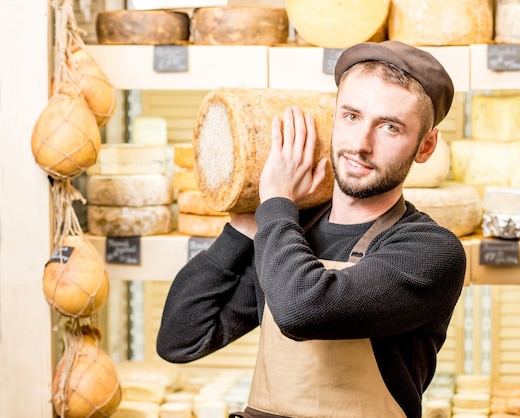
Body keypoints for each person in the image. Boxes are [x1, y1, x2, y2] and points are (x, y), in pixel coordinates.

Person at [156, 40, 466, 418]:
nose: (360, 145)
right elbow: (181, 339)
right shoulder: (287, 230)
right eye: (351, 116)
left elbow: (302, 309)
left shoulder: (429, 250)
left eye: (389, 127)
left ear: (426, 146)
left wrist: (275, 203)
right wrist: (243, 224)